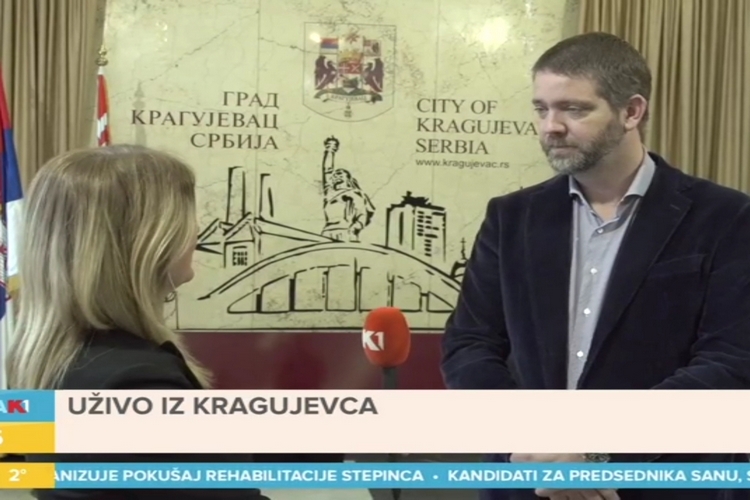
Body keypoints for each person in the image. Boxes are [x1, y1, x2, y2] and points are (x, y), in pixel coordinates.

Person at [441, 32, 750, 500]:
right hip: (528, 480)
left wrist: (597, 452)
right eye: (541, 109)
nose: (551, 126)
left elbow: (730, 362)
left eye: (574, 109)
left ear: (632, 112)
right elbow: (469, 345)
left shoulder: (726, 216)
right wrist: (532, 446)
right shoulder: (511, 217)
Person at [8, 145, 270, 499]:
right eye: (186, 217)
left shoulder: (52, 357)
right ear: (146, 242)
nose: (196, 230)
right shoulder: (138, 385)